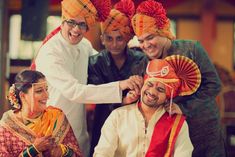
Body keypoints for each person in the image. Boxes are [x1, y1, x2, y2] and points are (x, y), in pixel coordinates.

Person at [34, 0, 143, 156]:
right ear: (63, 20)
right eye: (72, 22)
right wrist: (121, 85)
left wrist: (130, 52)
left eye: (83, 24)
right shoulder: (50, 53)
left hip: (80, 130)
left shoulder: (84, 44)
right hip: (53, 130)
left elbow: (103, 62)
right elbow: (75, 92)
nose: (76, 29)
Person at [131, 0, 226, 157]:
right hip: (170, 135)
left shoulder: (192, 49)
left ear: (163, 31)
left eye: (150, 37)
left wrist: (184, 108)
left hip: (204, 130)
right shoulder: (142, 63)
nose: (145, 45)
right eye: (141, 41)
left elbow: (214, 85)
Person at [93, 55, 202, 157]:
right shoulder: (118, 115)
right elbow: (102, 153)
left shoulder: (176, 123)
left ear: (168, 97)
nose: (152, 92)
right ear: (143, 84)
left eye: (160, 89)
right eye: (149, 84)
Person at [88, 0, 145, 155]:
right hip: (103, 118)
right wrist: (123, 100)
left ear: (127, 38)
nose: (114, 44)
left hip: (134, 119)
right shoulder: (95, 62)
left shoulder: (141, 60)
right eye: (109, 38)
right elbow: (95, 93)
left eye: (119, 38)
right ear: (102, 39)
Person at [0, 70, 82, 157]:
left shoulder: (56, 117)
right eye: (39, 91)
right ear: (23, 96)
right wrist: (34, 149)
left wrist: (62, 151)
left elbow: (77, 154)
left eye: (46, 89)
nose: (47, 95)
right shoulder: (7, 125)